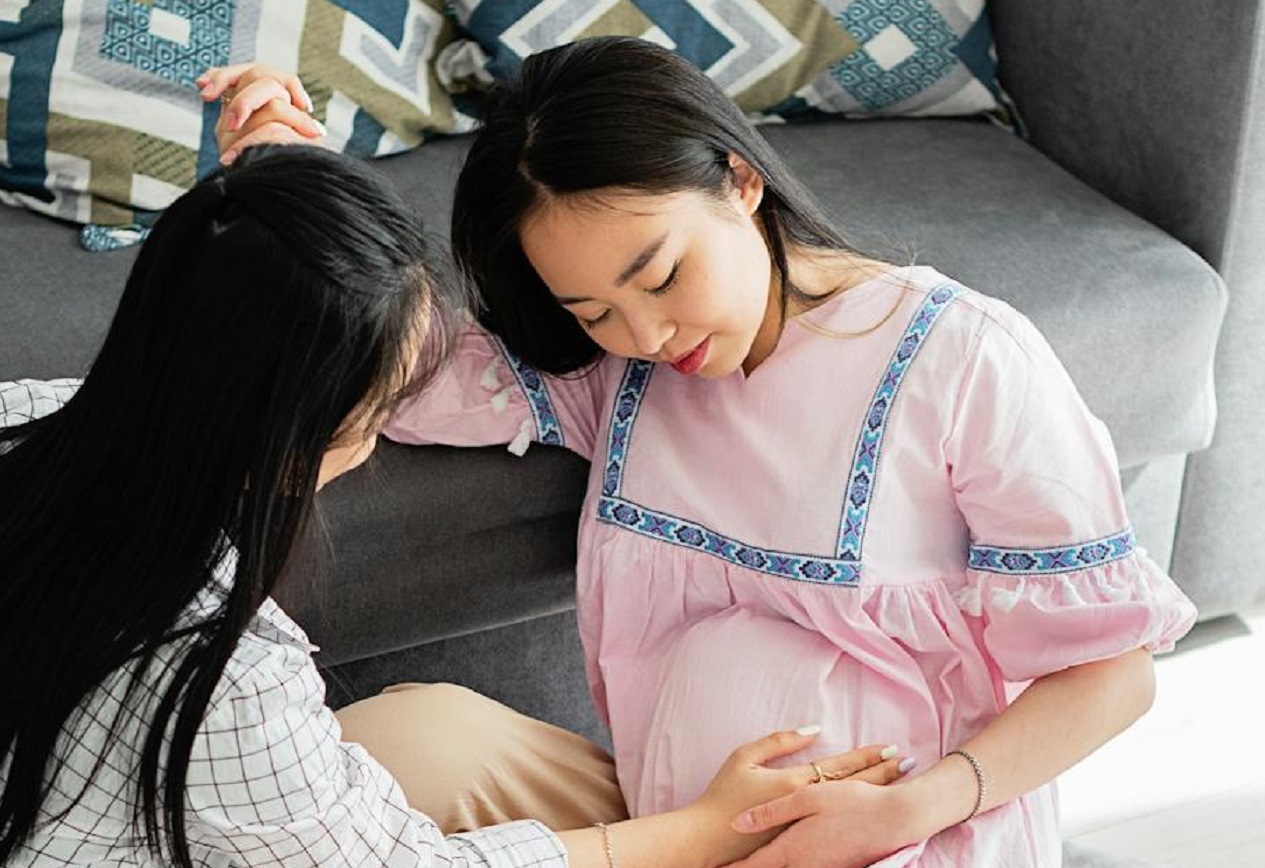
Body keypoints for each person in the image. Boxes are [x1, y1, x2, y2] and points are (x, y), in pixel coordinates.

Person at [207, 37, 1198, 867]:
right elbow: (405, 364)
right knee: (398, 744)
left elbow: (1114, 670)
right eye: (591, 310)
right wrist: (282, 180)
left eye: (660, 273)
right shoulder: (622, 374)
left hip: (894, 841)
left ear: (738, 177)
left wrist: (910, 807)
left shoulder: (963, 360)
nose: (644, 333)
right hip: (675, 828)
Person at [0, 143, 908, 868]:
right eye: (380, 409)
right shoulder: (224, 679)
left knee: (430, 734)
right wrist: (705, 832)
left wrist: (298, 204)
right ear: (295, 444)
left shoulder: (25, 418)